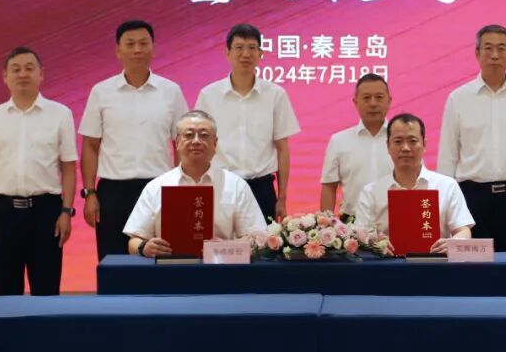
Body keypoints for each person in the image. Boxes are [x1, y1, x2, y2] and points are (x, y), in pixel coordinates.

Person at [438, 24, 506, 262]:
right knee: (473, 272)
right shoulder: (459, 99)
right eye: (488, 48)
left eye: (501, 48)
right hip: (471, 201)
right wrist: (446, 206)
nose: (495, 55)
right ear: (477, 53)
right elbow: (448, 158)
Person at [79, 20, 188, 260]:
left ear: (153, 48)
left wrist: (179, 189)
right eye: (130, 44)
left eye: (143, 43)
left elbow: (181, 144)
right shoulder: (101, 92)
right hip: (113, 193)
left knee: (161, 261)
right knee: (114, 262)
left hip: (159, 189)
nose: (137, 49)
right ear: (118, 51)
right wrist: (90, 193)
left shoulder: (170, 91)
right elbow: (90, 146)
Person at [0, 47, 78, 295]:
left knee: (46, 290)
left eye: (30, 68)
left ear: (41, 74)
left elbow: (68, 168)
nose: (23, 74)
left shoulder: (60, 114)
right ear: (5, 77)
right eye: (16, 69)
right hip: (3, 213)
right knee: (5, 291)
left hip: (46, 212)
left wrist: (66, 212)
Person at [124, 110, 267, 256]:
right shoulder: (156, 187)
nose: (196, 141)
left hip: (220, 266)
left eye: (204, 135)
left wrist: (227, 246)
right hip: (169, 267)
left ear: (215, 143)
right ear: (177, 142)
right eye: (189, 135)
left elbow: (257, 238)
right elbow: (134, 241)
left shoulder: (236, 186)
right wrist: (144, 247)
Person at [195, 23, 300, 221]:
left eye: (252, 48)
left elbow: (282, 148)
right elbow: (199, 147)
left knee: (264, 241)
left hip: (261, 188)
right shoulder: (209, 95)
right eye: (239, 47)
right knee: (219, 240)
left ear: (260, 53)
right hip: (221, 186)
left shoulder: (275, 95)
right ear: (227, 53)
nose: (245, 54)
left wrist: (282, 197)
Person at [355, 113, 474, 251]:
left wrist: (453, 243)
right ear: (388, 146)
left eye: (412, 141)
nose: (405, 148)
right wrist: (374, 243)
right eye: (398, 141)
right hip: (387, 262)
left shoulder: (447, 185)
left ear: (424, 144)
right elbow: (361, 233)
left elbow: (464, 230)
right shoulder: (371, 192)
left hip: (436, 261)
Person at [319, 73, 392, 223]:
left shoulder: (403, 140)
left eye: (379, 97)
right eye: (366, 98)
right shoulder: (339, 140)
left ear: (389, 101)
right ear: (355, 102)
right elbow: (329, 187)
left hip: (395, 221)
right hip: (352, 225)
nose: (373, 103)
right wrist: (326, 226)